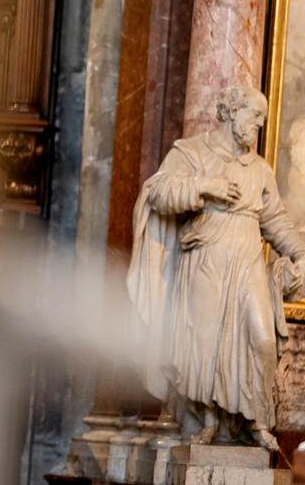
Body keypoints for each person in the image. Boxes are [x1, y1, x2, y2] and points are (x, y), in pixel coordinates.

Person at [128, 86, 305, 451]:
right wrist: (205, 187)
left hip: (247, 261)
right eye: (254, 115)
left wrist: (300, 253)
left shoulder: (260, 169)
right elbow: (157, 192)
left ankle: (257, 421)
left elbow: (276, 221)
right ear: (231, 111)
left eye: (262, 119)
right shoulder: (192, 152)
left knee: (262, 338)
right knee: (204, 344)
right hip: (206, 257)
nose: (258, 124)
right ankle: (209, 422)